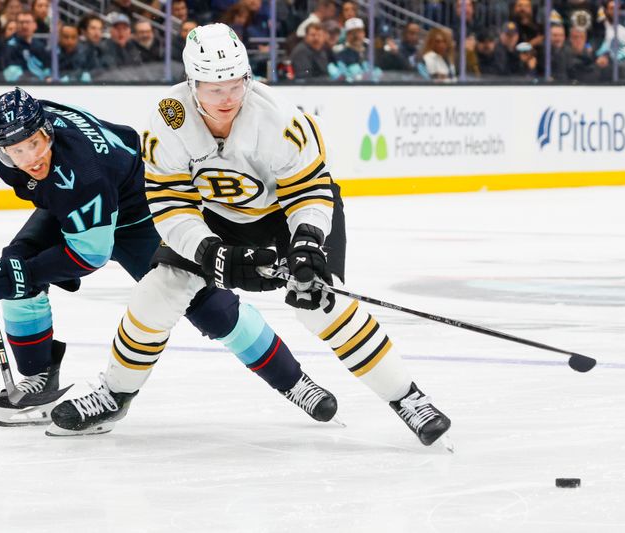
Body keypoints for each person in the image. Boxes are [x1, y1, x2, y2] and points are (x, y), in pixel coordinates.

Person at [47, 23, 451, 447]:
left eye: (235, 84)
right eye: (213, 87)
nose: (227, 98)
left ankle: (408, 398)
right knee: (159, 290)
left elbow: (310, 190)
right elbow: (169, 204)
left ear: (247, 77)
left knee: (320, 305)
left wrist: (308, 241)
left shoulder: (279, 118)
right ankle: (114, 394)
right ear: (192, 82)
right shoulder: (169, 117)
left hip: (287, 215)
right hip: (216, 216)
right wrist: (209, 252)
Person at [0, 87, 338, 428]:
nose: (29, 160)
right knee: (17, 263)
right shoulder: (10, 135)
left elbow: (87, 256)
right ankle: (39, 377)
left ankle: (294, 381)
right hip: (79, 205)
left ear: (49, 133)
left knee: (206, 304)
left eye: (35, 145)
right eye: (15, 152)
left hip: (140, 211)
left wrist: (14, 278)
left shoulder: (83, 171)